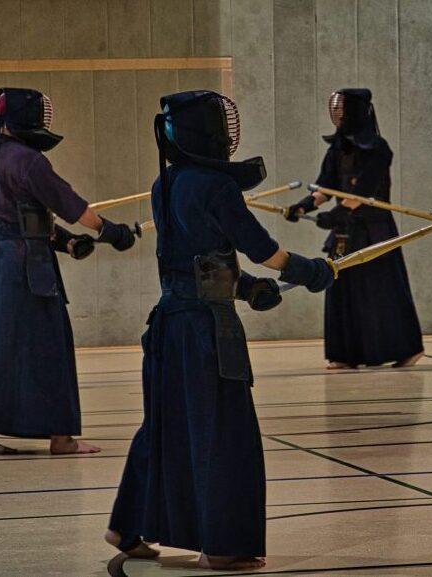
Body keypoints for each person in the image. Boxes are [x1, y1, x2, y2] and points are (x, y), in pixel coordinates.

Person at [105, 90, 333, 573]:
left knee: (164, 424)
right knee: (224, 432)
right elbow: (261, 248)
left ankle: (126, 524)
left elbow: (196, 259)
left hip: (167, 326)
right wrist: (309, 271)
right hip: (206, 332)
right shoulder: (216, 186)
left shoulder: (163, 184)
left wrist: (247, 289)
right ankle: (224, 545)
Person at [0, 88, 137, 455]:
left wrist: (67, 242)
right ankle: (62, 438)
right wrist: (111, 231)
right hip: (28, 267)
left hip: (0, 262)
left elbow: (23, 216)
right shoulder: (30, 161)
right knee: (52, 348)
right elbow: (69, 204)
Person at [284, 88, 424, 369]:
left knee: (382, 292)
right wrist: (303, 206)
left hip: (375, 229)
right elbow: (325, 186)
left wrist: (337, 213)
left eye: (343, 109)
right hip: (345, 230)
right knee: (340, 288)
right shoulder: (337, 149)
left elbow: (364, 191)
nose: (338, 114)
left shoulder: (379, 149)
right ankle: (346, 354)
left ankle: (407, 349)